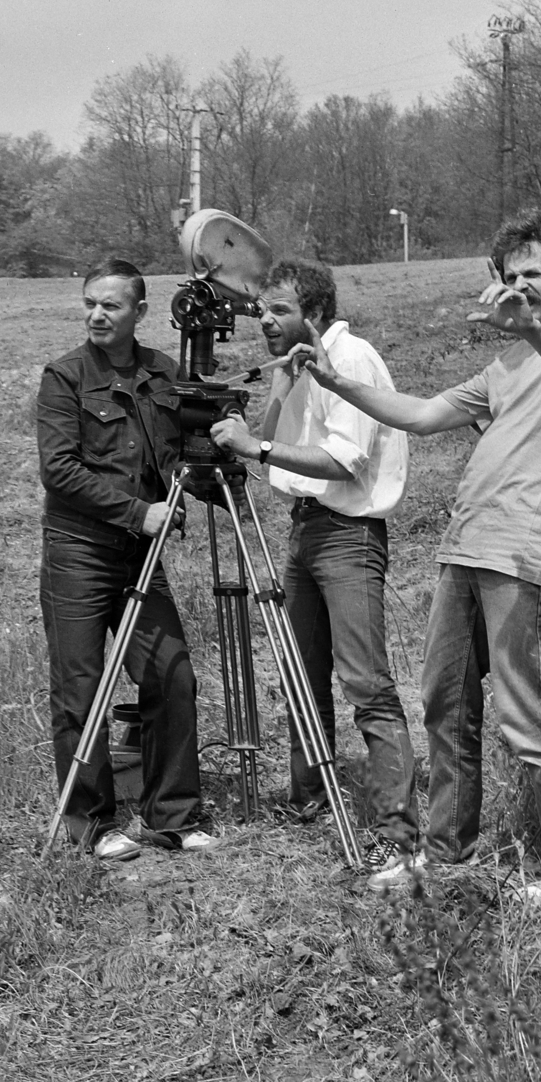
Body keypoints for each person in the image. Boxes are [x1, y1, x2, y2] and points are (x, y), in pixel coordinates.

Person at [292, 213, 541, 897]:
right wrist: (334, 384)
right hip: (467, 544)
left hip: (531, 546)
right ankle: (449, 851)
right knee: (445, 702)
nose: (518, 287)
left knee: (530, 711)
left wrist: (532, 328)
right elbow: (419, 412)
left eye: (533, 274)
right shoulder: (505, 362)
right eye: (508, 276)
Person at [208, 260, 416, 881]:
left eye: (278, 310)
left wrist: (255, 447)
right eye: (260, 311)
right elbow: (271, 449)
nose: (263, 320)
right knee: (303, 674)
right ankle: (308, 798)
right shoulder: (298, 368)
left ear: (316, 312)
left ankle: (397, 837)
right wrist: (271, 401)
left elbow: (343, 461)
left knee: (367, 685)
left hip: (348, 536)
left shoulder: (348, 361)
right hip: (305, 529)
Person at [36, 257, 216, 863]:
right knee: (80, 689)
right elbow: (59, 471)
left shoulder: (165, 373)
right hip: (78, 553)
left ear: (139, 311)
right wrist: (140, 513)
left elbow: (182, 458)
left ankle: (174, 815)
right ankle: (90, 823)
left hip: (143, 558)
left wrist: (207, 473)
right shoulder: (64, 377)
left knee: (172, 675)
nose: (96, 314)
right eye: (90, 302)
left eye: (111, 305)